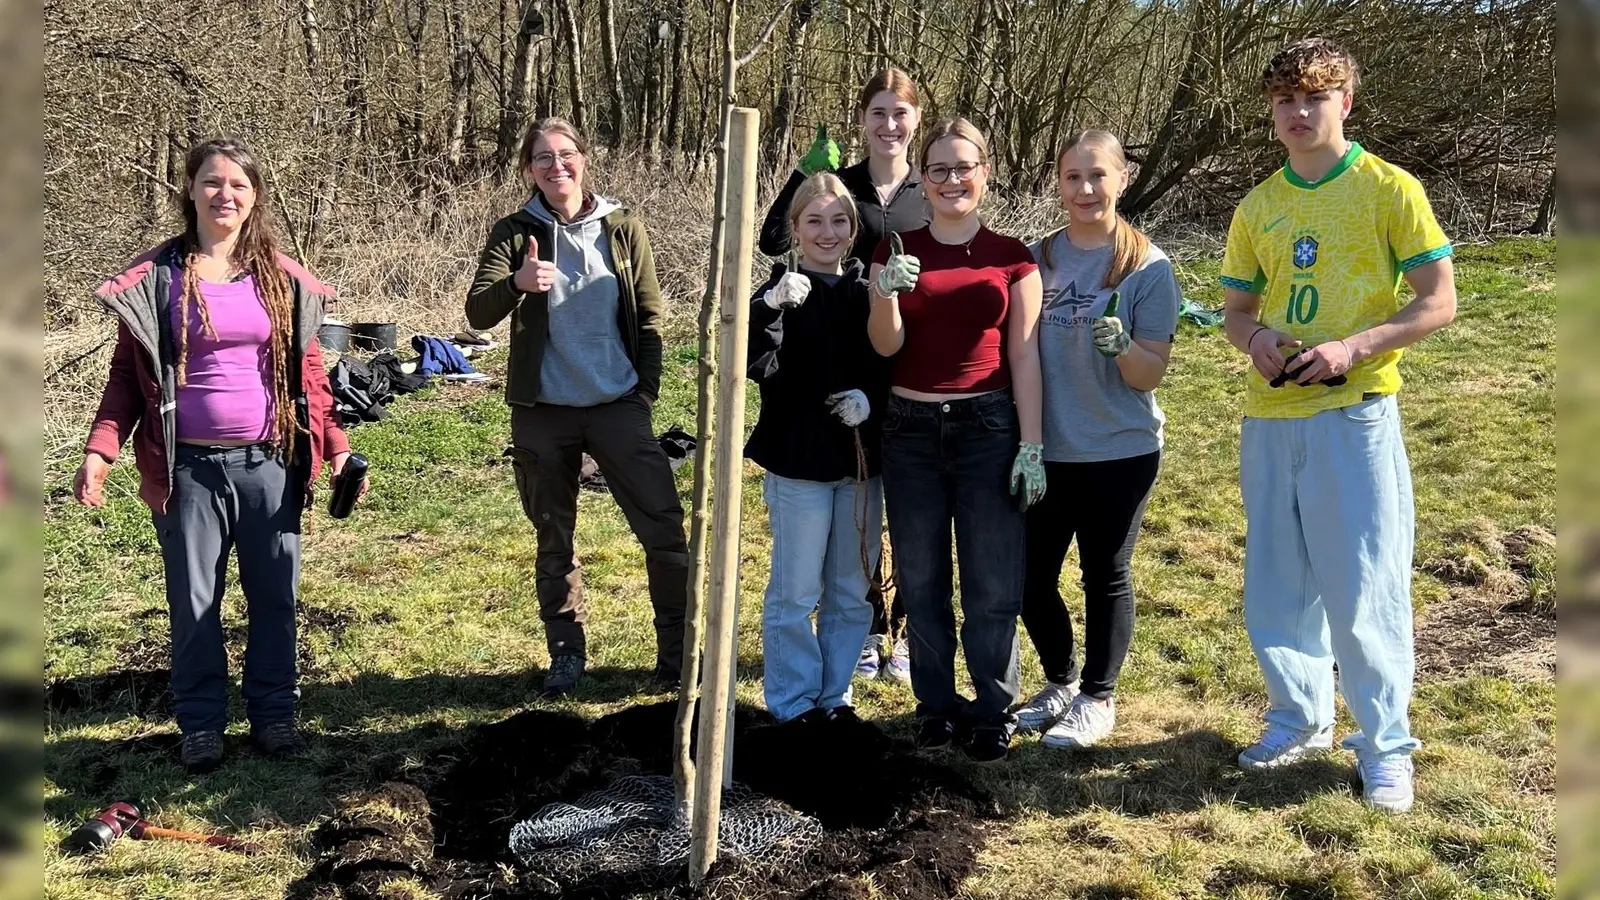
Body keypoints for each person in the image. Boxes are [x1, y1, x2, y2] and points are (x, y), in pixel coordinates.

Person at [73, 137, 364, 773]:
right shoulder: (159, 281)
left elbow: (311, 374)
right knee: (194, 601)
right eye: (211, 182)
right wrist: (102, 449)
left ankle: (275, 716)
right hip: (189, 472)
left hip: (271, 464)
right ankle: (202, 724)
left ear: (255, 195)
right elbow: (127, 377)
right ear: (190, 191)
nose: (224, 195)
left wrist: (337, 447)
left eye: (237, 184)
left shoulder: (281, 281)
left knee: (276, 597)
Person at [1220, 38, 1456, 813]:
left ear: (1345, 103)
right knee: (1277, 589)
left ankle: (1386, 747)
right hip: (1270, 418)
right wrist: (1255, 342)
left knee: (1363, 589)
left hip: (1353, 417)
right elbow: (1237, 311)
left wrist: (1353, 346)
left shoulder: (1390, 190)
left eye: (1314, 98)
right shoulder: (1259, 205)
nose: (1297, 112)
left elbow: (1437, 300)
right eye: (1285, 100)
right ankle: (1298, 719)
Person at [465, 117, 688, 697]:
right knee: (553, 535)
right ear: (528, 169)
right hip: (544, 411)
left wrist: (644, 392)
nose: (556, 165)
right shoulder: (516, 231)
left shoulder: (622, 226)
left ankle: (676, 655)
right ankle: (566, 654)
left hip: (618, 403)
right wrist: (517, 282)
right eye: (543, 158)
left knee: (664, 530)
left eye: (566, 154)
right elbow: (478, 313)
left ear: (585, 159)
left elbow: (651, 313)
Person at [868, 118, 1045, 763]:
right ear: (921, 177)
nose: (950, 180)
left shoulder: (1014, 257)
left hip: (988, 429)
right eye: (937, 169)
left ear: (985, 172)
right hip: (909, 430)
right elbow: (885, 346)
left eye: (963, 167)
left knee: (992, 581)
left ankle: (995, 709)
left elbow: (1025, 357)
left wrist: (1032, 443)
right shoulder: (894, 250)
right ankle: (936, 706)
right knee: (921, 579)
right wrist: (885, 293)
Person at [758, 67, 929, 684]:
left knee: (874, 543)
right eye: (877, 113)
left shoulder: (928, 185)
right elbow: (773, 237)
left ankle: (892, 639)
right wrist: (802, 176)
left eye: (900, 113)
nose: (889, 125)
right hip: (819, 377)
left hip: (899, 361)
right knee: (809, 574)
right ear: (862, 119)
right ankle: (831, 666)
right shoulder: (839, 187)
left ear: (915, 121)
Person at [1012, 130, 1181, 749]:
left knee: (1104, 573)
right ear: (1057, 183)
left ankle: (1097, 696)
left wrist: (1124, 348)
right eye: (1072, 177)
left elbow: (1149, 374)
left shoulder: (1148, 268)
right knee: (1030, 577)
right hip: (1043, 450)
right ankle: (1058, 681)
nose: (1085, 189)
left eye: (1098, 176)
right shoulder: (1034, 259)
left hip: (1119, 450)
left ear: (1121, 180)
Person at [745, 173, 891, 724]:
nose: (826, 233)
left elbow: (892, 358)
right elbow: (756, 366)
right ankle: (793, 701)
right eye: (814, 222)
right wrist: (772, 309)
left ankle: (835, 696)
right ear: (794, 229)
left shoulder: (869, 290)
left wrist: (871, 399)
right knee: (796, 592)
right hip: (799, 461)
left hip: (859, 465)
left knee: (852, 591)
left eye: (838, 221)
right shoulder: (776, 292)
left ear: (853, 230)